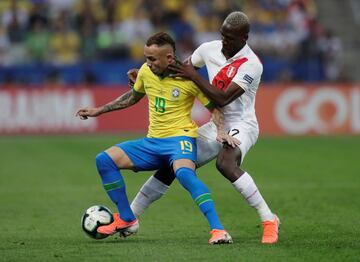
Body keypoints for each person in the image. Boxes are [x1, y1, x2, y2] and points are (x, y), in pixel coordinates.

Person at [128, 11, 280, 244]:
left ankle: (269, 219)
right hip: (216, 124)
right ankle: (130, 217)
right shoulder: (209, 49)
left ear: (244, 38)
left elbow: (222, 99)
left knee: (225, 163)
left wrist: (194, 76)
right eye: (223, 35)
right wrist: (148, 74)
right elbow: (178, 71)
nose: (224, 42)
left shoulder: (251, 65)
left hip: (243, 124)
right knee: (175, 162)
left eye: (230, 38)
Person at [75, 32, 237, 244]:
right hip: (152, 142)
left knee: (185, 175)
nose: (147, 63)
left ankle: (218, 230)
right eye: (146, 58)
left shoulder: (189, 78)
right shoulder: (145, 71)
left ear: (169, 58)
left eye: (152, 59)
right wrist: (99, 110)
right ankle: (126, 218)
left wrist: (221, 130)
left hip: (180, 140)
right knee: (104, 160)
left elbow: (214, 109)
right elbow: (133, 96)